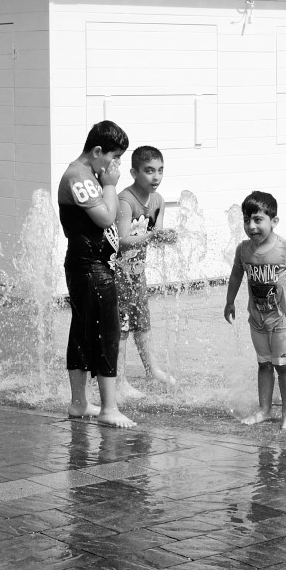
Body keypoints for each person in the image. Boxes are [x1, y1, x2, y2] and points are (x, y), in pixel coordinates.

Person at [224, 190, 286, 430]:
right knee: (263, 364)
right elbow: (236, 275)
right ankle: (265, 410)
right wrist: (229, 301)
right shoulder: (243, 250)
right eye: (247, 220)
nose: (251, 226)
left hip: (281, 321)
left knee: (283, 365)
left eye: (258, 220)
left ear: (274, 221)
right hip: (256, 320)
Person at [58, 120, 134, 428]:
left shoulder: (88, 174)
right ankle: (109, 408)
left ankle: (79, 403)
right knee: (106, 333)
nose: (115, 165)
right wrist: (112, 185)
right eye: (114, 157)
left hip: (90, 266)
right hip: (90, 267)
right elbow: (105, 217)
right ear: (98, 150)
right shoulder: (80, 176)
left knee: (83, 331)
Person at [113, 145, 178, 400]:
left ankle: (153, 370)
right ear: (133, 172)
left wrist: (164, 237)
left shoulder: (158, 200)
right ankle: (119, 380)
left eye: (160, 170)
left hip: (137, 274)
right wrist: (151, 235)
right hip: (117, 275)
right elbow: (122, 239)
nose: (156, 177)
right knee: (122, 328)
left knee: (142, 323)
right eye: (149, 171)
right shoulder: (125, 201)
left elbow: (155, 235)